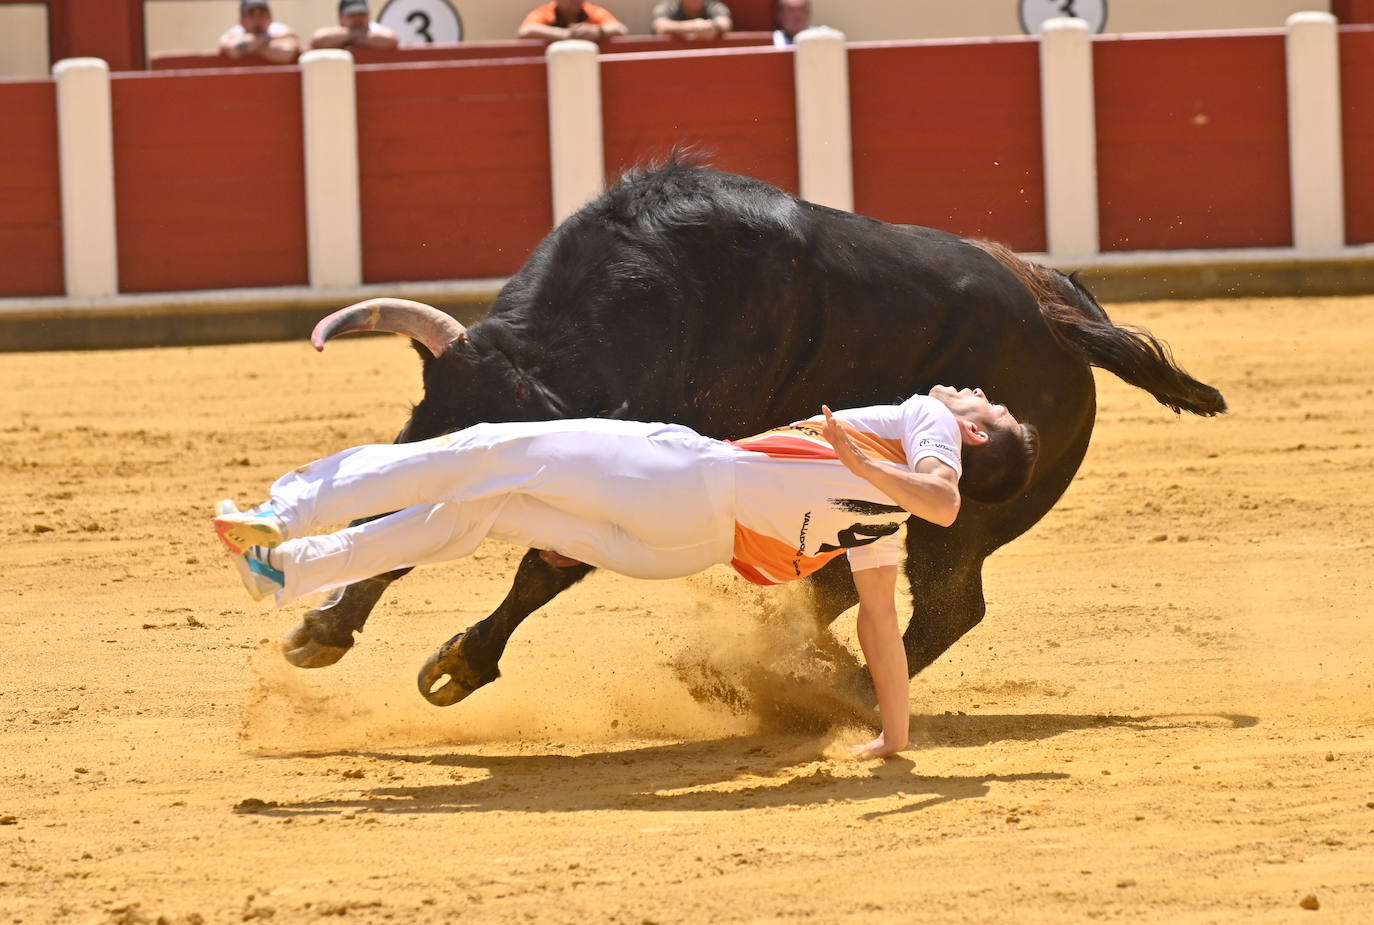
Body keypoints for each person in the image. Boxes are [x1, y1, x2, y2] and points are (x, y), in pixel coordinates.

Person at [213, 387, 1038, 759]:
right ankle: (286, 570)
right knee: (480, 514)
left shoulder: (921, 431)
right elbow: (876, 628)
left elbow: (941, 500)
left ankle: (282, 513)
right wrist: (894, 732)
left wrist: (866, 454)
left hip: (686, 480)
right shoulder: (879, 524)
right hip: (674, 547)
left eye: (987, 408)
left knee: (476, 455)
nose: (975, 393)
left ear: (968, 438)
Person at [218, 0, 300, 63]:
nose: (258, 20)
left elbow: (287, 52)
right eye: (251, 15)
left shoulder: (280, 29)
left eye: (262, 14)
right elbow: (232, 50)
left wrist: (251, 45)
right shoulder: (234, 33)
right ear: (241, 21)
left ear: (271, 19)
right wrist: (268, 39)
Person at [518, 0, 629, 41]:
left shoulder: (592, 11)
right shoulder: (546, 12)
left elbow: (621, 29)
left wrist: (597, 32)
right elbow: (524, 31)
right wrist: (565, 34)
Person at [310, 0, 400, 50]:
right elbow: (317, 39)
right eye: (352, 15)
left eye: (362, 14)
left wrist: (351, 36)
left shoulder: (375, 29)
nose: (358, 19)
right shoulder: (336, 32)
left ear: (369, 15)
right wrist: (355, 35)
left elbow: (392, 39)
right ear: (341, 18)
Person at [650, 0, 733, 39]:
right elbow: (659, 25)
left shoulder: (714, 6)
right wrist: (693, 26)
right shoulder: (668, 6)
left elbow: (725, 23)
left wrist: (713, 28)